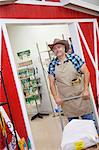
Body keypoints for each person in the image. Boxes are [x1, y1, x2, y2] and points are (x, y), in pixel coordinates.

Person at [48, 38, 94, 122]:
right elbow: (51, 83)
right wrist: (56, 97)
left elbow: (86, 73)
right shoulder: (52, 64)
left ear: (64, 48)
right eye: (54, 48)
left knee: (90, 124)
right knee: (74, 129)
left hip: (81, 97)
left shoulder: (74, 58)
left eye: (59, 47)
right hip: (66, 101)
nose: (57, 50)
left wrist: (86, 90)